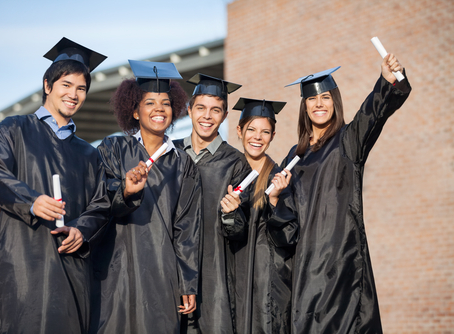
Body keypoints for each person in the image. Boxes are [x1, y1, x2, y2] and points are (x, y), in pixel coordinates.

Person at [0, 37, 111, 333]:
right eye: (66, 85)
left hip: (72, 270)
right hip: (24, 261)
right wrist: (31, 201)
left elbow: (101, 205)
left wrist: (82, 230)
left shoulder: (89, 154)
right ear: (48, 85)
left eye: (81, 88)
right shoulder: (13, 130)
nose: (74, 94)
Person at [281, 54, 411, 333]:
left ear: (335, 103)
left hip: (343, 259)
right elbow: (286, 225)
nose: (319, 104)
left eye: (326, 97)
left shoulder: (349, 141)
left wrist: (386, 80)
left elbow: (372, 113)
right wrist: (273, 198)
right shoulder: (294, 156)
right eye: (312, 100)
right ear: (304, 107)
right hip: (305, 268)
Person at [91, 60, 202, 334]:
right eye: (149, 103)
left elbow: (187, 228)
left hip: (162, 273)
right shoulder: (113, 148)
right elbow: (98, 202)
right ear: (135, 111)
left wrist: (188, 282)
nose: (159, 109)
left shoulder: (183, 163)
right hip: (118, 269)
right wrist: (125, 191)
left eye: (165, 103)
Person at [173, 74, 251, 334]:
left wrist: (231, 214)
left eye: (215, 110)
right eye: (201, 108)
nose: (207, 116)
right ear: (189, 110)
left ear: (225, 115)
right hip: (170, 274)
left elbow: (240, 232)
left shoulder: (236, 163)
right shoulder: (170, 154)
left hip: (214, 277)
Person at [220, 98, 298, 334]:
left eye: (265, 132)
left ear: (273, 136)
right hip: (234, 277)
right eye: (251, 129)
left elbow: (289, 237)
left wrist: (275, 200)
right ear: (239, 131)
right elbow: (232, 234)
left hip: (269, 282)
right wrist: (230, 213)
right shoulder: (228, 173)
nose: (257, 137)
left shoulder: (280, 178)